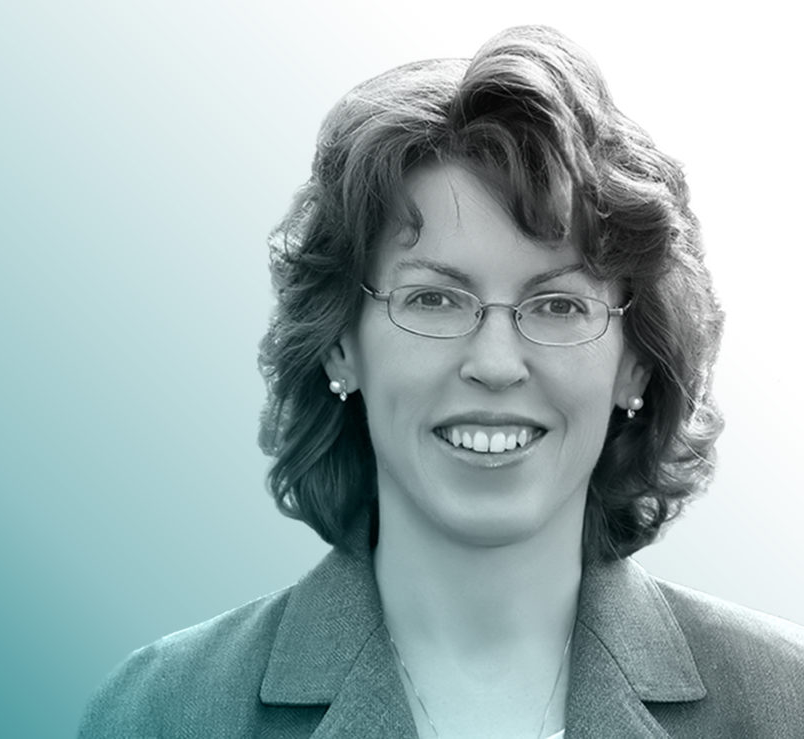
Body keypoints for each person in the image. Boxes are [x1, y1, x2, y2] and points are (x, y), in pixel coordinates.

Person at [79, 25, 804, 738]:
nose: (495, 363)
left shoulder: (786, 702)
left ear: (635, 362)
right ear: (340, 346)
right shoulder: (161, 712)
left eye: (558, 305)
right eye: (433, 299)